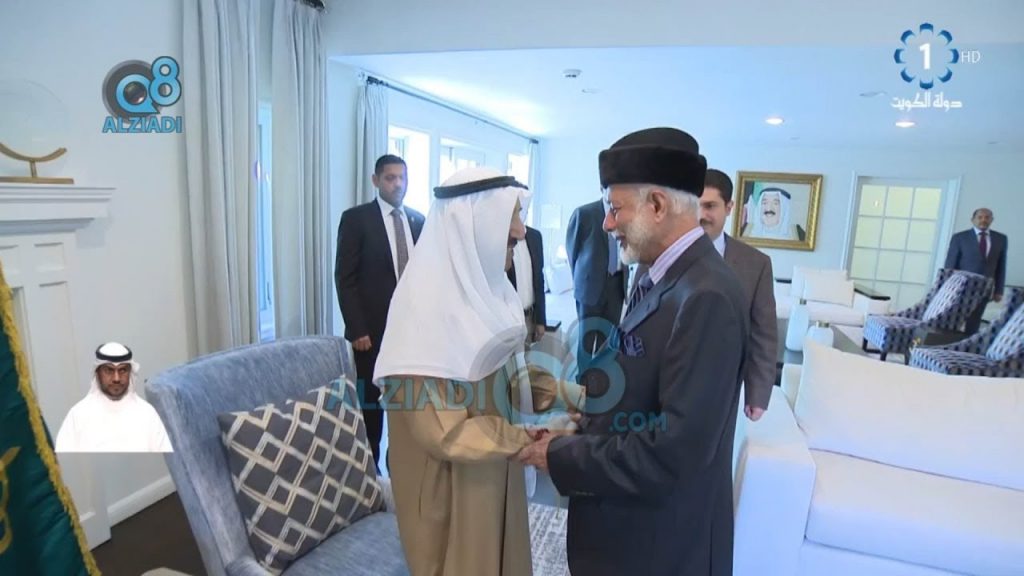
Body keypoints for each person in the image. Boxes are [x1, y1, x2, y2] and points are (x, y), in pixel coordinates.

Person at [518, 128, 748, 575]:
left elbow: (673, 452)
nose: (607, 224)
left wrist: (559, 456)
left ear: (657, 205)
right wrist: (586, 418)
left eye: (614, 208)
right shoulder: (661, 276)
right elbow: (640, 389)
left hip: (658, 547)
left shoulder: (707, 297)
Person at [374, 167, 584, 576]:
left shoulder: (493, 296)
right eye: (510, 219)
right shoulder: (420, 311)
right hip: (452, 489)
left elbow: (513, 379)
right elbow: (444, 432)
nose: (521, 231)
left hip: (495, 465)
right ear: (472, 226)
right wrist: (531, 439)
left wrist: (576, 396)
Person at [334, 154, 425, 469]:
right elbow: (345, 278)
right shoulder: (357, 219)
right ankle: (368, 472)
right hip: (371, 335)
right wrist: (356, 328)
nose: (398, 184)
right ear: (376, 180)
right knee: (371, 409)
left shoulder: (418, 220)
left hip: (412, 334)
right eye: (390, 178)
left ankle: (401, 469)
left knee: (409, 406)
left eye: (402, 177)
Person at [700, 168, 777, 421]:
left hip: (723, 386)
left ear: (729, 207)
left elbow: (763, 334)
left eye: (710, 206)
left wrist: (757, 393)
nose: (701, 215)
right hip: (664, 385)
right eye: (695, 205)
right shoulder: (659, 254)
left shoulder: (756, 264)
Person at [55, 342, 173, 453]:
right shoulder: (78, 415)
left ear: (130, 373)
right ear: (97, 373)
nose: (116, 378)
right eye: (109, 370)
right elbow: (64, 462)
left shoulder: (147, 414)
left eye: (122, 370)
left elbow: (164, 462)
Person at [566, 199, 628, 360]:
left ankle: (602, 374)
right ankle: (584, 375)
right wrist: (580, 278)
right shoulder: (584, 213)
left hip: (616, 284)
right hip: (589, 286)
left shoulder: (626, 213)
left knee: (609, 341)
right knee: (586, 341)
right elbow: (572, 251)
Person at [945, 207, 1008, 334]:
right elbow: (950, 264)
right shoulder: (960, 238)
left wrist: (999, 290)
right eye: (980, 217)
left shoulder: (1001, 239)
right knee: (954, 319)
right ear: (973, 220)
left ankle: (968, 343)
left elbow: (1001, 266)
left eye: (987, 217)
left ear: (991, 220)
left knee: (974, 321)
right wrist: (947, 288)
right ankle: (948, 342)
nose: (983, 220)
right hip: (961, 287)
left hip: (985, 288)